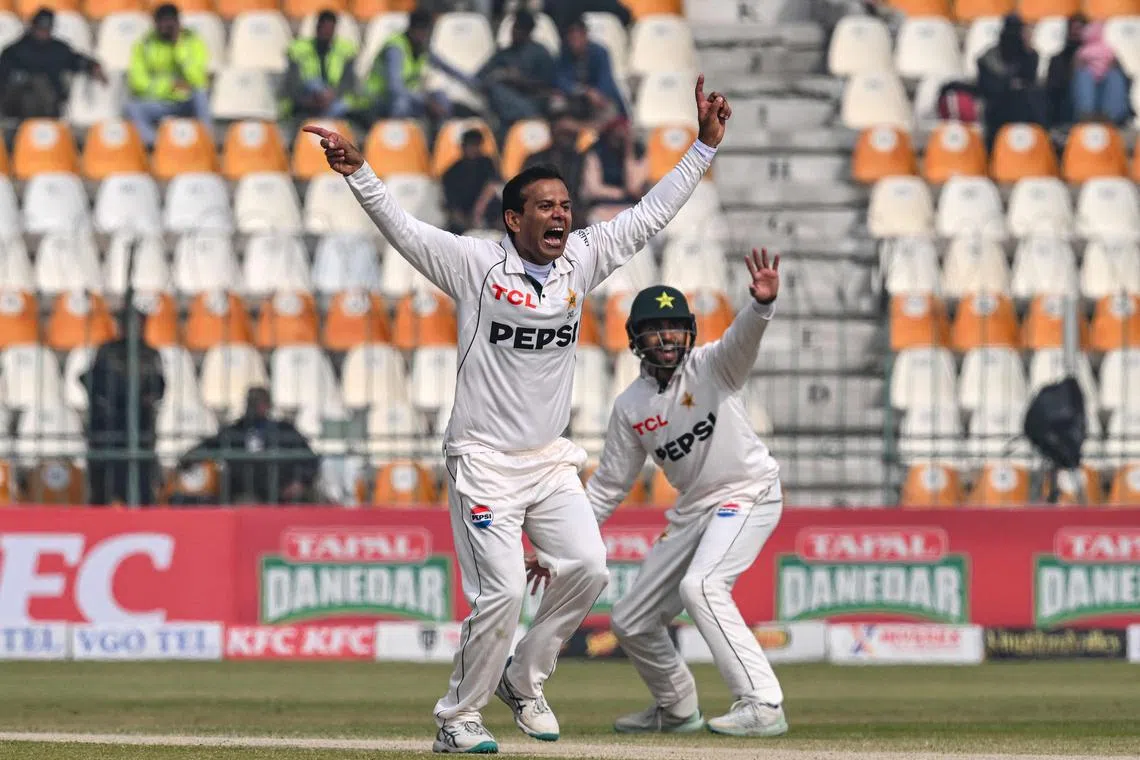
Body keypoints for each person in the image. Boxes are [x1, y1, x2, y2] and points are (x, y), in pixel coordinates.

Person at [303, 73, 731, 754]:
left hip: (548, 459)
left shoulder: (582, 259)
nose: (561, 215)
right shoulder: (475, 264)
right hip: (482, 460)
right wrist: (359, 173)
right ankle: (457, 718)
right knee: (502, 592)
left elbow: (649, 215)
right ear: (514, 219)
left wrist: (703, 148)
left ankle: (524, 679)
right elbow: (405, 230)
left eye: (565, 205)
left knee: (589, 567)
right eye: (545, 207)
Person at [528, 249, 787, 738]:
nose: (667, 337)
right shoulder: (631, 405)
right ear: (636, 339)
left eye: (674, 327)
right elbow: (608, 488)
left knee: (702, 586)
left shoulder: (713, 366)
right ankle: (677, 708)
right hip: (695, 509)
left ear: (689, 332)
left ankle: (762, 703)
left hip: (749, 490)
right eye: (655, 329)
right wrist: (556, 546)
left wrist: (760, 306)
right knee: (632, 618)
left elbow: (743, 340)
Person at [180, 387, 320, 505]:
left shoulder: (283, 430)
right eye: (251, 403)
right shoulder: (234, 431)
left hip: (281, 496)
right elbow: (203, 449)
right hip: (241, 496)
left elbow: (310, 459)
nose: (254, 407)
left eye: (259, 403)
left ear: (268, 405)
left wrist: (300, 482)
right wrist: (187, 461)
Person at [81, 312, 165, 506]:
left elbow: (159, 388)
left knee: (140, 486)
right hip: (108, 427)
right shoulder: (107, 351)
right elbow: (91, 382)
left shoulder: (150, 354)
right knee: (103, 487)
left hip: (139, 427)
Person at [124, 3, 212, 147]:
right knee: (132, 107)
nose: (167, 26)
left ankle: (206, 142)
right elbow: (137, 82)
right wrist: (170, 86)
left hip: (186, 100)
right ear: (155, 23)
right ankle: (157, 145)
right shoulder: (145, 44)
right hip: (160, 101)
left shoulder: (192, 41)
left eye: (170, 21)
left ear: (178, 22)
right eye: (163, 21)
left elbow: (198, 79)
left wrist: (179, 47)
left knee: (201, 95)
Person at [0, 8, 106, 119]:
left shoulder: (58, 49)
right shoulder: (14, 51)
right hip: (17, 105)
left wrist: (92, 66)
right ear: (33, 27)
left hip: (49, 105)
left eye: (47, 29)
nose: (43, 33)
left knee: (41, 85)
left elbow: (75, 60)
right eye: (40, 28)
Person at [359, 10, 459, 125]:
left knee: (441, 98)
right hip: (378, 99)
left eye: (427, 33)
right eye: (422, 32)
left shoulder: (421, 48)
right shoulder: (395, 48)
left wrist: (472, 82)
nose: (424, 37)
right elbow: (395, 88)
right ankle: (396, 133)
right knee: (401, 104)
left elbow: (447, 68)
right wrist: (427, 103)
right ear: (412, 30)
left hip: (406, 96)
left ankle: (438, 132)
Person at [477, 10, 556, 137]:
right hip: (505, 106)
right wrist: (500, 74)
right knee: (495, 88)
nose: (514, 32)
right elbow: (480, 77)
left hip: (533, 101)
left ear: (528, 32)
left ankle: (530, 117)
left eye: (519, 29)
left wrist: (520, 80)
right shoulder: (504, 54)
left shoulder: (540, 52)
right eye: (514, 27)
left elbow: (548, 84)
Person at [976, 14, 1045, 153]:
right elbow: (986, 88)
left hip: (1023, 109)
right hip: (997, 109)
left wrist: (1027, 49)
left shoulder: (1030, 55)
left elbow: (1029, 80)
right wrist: (1007, 85)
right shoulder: (988, 58)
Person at [281, 10, 359, 120]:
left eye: (329, 29)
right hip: (307, 98)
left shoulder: (345, 50)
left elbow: (348, 83)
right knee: (314, 83)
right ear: (317, 28)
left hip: (334, 100)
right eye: (323, 28)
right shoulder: (298, 49)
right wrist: (309, 100)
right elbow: (292, 84)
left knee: (342, 107)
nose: (326, 32)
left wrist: (332, 94)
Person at [523, 108, 587, 230]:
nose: (567, 138)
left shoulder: (584, 159)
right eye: (563, 132)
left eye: (570, 134)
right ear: (552, 130)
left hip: (577, 217)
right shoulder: (535, 160)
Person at [554, 15, 626, 125]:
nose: (575, 42)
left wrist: (597, 94)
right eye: (571, 38)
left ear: (585, 35)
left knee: (609, 110)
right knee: (556, 104)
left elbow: (606, 81)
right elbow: (561, 81)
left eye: (578, 37)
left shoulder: (599, 52)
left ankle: (589, 129)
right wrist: (585, 91)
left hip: (597, 99)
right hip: (575, 98)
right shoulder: (564, 54)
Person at [580, 116, 648, 223]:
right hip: (602, 207)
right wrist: (621, 193)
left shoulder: (638, 153)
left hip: (629, 207)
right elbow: (594, 189)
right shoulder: (596, 153)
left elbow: (633, 188)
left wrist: (628, 152)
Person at [1070, 20, 1132, 125]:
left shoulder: (1111, 50)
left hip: (1107, 94)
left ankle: (1110, 116)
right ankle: (1086, 114)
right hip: (1085, 97)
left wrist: (1112, 66)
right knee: (1084, 75)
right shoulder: (1080, 53)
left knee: (1114, 76)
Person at [442, 128, 502, 233]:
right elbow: (452, 205)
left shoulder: (487, 163)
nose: (474, 149)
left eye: (477, 145)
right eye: (471, 145)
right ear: (463, 146)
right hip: (464, 216)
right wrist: (467, 224)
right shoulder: (451, 172)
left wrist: (478, 211)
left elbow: (491, 187)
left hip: (488, 211)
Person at [1045, 14, 1087, 128]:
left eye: (1079, 28)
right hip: (1063, 106)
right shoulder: (1057, 59)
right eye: (1073, 28)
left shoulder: (1093, 58)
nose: (1075, 32)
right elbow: (1052, 88)